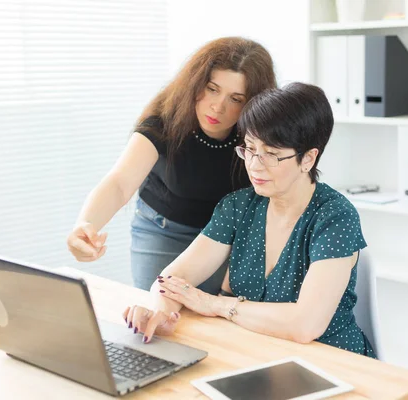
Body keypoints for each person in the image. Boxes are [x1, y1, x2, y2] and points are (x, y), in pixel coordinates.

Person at [122, 83, 376, 358]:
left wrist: (216, 305)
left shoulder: (335, 217)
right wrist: (160, 313)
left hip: (332, 362)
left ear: (308, 159)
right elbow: (173, 280)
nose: (255, 165)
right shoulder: (238, 206)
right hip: (255, 354)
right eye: (250, 149)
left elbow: (305, 325)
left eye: (271, 155)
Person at [67, 37, 277, 294]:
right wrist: (85, 225)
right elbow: (120, 183)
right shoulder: (165, 120)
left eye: (236, 99)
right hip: (164, 231)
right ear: (196, 83)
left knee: (216, 320)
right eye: (212, 89)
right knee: (156, 318)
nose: (218, 106)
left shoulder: (259, 134)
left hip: (228, 238)